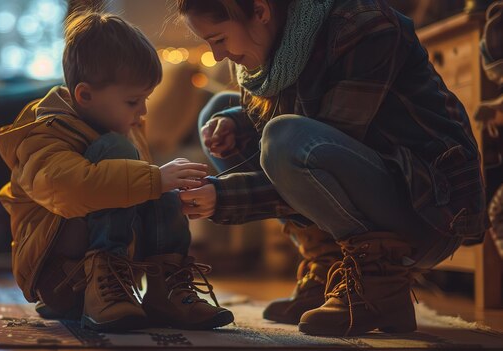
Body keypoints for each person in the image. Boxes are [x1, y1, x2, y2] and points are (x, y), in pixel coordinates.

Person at [176, 0, 488, 336]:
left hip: (430, 206)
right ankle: (328, 265)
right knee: (220, 111)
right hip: (379, 186)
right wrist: (235, 124)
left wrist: (224, 196)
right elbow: (308, 123)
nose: (218, 55)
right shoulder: (273, 52)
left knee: (285, 139)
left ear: (261, 11)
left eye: (219, 39)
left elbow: (311, 148)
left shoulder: (362, 26)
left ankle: (380, 281)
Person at [0, 11, 234, 332]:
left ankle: (167, 289)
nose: (143, 111)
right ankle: (102, 279)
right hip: (60, 277)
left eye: (145, 99)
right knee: (132, 165)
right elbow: (72, 190)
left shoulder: (121, 128)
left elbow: (142, 192)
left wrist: (168, 192)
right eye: (133, 101)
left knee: (159, 188)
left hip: (119, 283)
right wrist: (154, 179)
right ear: (85, 96)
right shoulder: (43, 136)